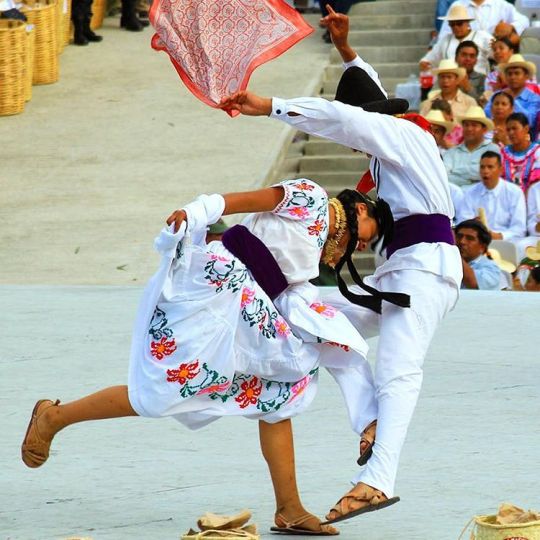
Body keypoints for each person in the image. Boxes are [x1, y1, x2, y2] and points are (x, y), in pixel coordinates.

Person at [21, 179, 396, 536]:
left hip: (248, 309)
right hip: (216, 288)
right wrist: (194, 211)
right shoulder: (310, 197)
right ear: (360, 209)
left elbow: (291, 292)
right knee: (159, 394)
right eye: (370, 235)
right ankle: (54, 416)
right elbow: (239, 201)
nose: (363, 246)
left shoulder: (316, 253)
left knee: (280, 393)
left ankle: (289, 509)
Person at [221, 6, 462, 523]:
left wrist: (271, 106)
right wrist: (347, 50)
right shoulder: (390, 145)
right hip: (400, 273)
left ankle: (377, 480)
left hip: (423, 271)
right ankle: (370, 420)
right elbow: (363, 101)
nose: (353, 138)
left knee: (400, 369)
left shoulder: (407, 137)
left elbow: (353, 116)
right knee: (312, 319)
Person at [458, 150, 527, 240]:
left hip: (506, 240)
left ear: (500, 170)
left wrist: (499, 236)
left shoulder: (514, 192)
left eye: (490, 167)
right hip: (477, 240)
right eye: (482, 167)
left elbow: (519, 228)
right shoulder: (470, 192)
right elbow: (463, 221)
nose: (485, 171)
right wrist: (473, 224)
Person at [420, 5, 492, 75]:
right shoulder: (445, 40)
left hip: (479, 82)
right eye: (452, 24)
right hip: (453, 83)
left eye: (459, 24)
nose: (456, 27)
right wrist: (425, 64)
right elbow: (429, 59)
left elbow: (497, 53)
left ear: (467, 23)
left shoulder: (482, 36)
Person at [443, 105, 500, 187]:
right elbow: (444, 176)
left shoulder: (492, 149)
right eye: (466, 125)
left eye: (474, 125)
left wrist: (455, 171)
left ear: (484, 129)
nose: (469, 129)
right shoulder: (452, 152)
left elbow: (489, 173)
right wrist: (471, 180)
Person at [485, 55, 540, 136]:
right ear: (506, 77)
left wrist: (511, 99)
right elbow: (486, 114)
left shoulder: (534, 98)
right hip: (496, 135)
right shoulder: (497, 95)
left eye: (517, 73)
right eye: (509, 74)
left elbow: (530, 121)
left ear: (526, 76)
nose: (513, 77)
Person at [438, 0, 529, 40]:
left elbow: (524, 20)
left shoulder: (501, 4)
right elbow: (444, 35)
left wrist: (511, 27)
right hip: (466, 58)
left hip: (495, 56)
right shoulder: (457, 5)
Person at [455, 219, 502, 289]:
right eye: (459, 236)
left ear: (482, 247)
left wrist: (453, 253)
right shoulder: (445, 261)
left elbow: (473, 284)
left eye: (469, 238)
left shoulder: (492, 268)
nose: (462, 241)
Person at [500, 112, 540, 191]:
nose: (511, 133)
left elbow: (536, 182)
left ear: (526, 129)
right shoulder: (503, 153)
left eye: (514, 128)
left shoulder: (537, 152)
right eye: (508, 130)